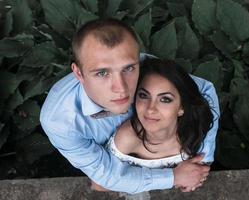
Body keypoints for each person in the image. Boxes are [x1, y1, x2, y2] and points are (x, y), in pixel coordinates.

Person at [40, 18, 220, 194]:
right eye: (102, 73)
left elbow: (203, 91)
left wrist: (201, 161)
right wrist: (173, 177)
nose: (121, 88)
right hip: (108, 163)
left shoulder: (144, 67)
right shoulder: (59, 120)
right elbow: (106, 174)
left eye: (128, 69)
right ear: (79, 73)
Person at [91, 58, 215, 192]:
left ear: (181, 108)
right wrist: (174, 178)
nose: (150, 109)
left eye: (165, 99)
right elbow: (99, 184)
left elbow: (201, 171)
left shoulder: (194, 131)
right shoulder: (128, 138)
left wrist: (193, 177)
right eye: (144, 95)